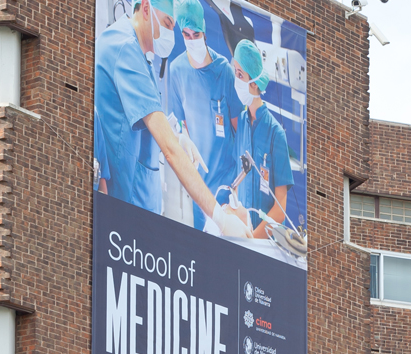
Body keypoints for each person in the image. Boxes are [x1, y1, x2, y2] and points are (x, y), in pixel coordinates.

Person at [94, 0, 247, 235]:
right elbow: (170, 149)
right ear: (146, 9)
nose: (170, 34)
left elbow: (152, 110)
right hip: (125, 205)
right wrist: (221, 219)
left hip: (139, 202)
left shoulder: (140, 54)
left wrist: (178, 133)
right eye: (167, 23)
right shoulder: (124, 49)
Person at [169, 0, 242, 230]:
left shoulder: (224, 72)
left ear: (205, 33)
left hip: (228, 186)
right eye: (186, 35)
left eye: (196, 34)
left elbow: (240, 133)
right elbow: (180, 126)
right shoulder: (177, 70)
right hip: (199, 188)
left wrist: (239, 187)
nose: (191, 40)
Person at [232, 39, 294, 239]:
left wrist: (252, 240)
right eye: (235, 72)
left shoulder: (275, 133)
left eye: (240, 74)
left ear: (254, 82)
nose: (236, 79)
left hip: (263, 245)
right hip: (241, 236)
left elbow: (280, 209)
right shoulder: (241, 123)